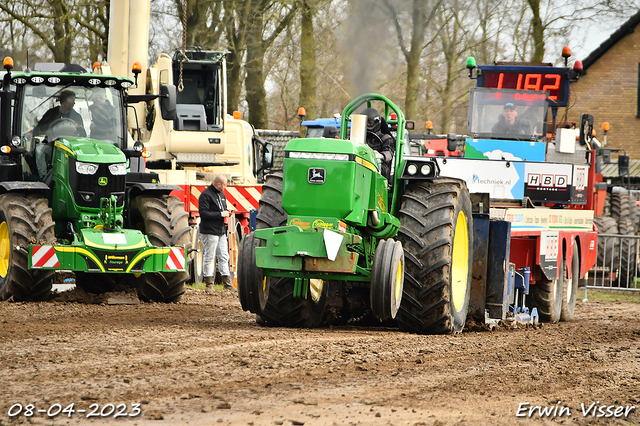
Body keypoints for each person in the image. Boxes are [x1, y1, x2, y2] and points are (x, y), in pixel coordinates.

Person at [33, 89, 86, 179]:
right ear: (64, 101)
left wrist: (80, 130)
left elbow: (83, 135)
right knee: (39, 151)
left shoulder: (77, 116)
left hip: (71, 147)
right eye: (72, 101)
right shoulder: (51, 113)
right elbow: (39, 129)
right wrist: (47, 130)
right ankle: (43, 176)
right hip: (51, 144)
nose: (74, 103)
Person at [198, 174, 234, 292]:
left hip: (221, 231)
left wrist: (227, 212)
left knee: (224, 256)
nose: (226, 186)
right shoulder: (205, 195)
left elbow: (220, 211)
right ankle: (209, 284)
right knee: (209, 256)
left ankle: (227, 284)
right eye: (224, 184)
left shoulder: (222, 195)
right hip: (209, 231)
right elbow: (203, 213)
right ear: (219, 184)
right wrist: (220, 214)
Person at [363, 108, 395, 180]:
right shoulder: (358, 137)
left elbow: (389, 153)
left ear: (376, 122)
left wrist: (381, 155)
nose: (367, 125)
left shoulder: (386, 138)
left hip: (379, 165)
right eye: (365, 122)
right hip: (360, 162)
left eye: (369, 123)